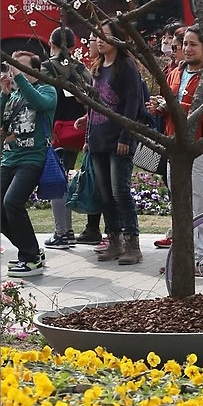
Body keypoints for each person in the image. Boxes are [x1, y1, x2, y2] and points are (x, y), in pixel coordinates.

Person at [147, 23, 203, 264]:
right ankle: (185, 257)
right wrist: (160, 108)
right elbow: (172, 105)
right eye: (184, 44)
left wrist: (175, 107)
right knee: (181, 202)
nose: (187, 49)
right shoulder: (175, 73)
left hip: (201, 149)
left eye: (193, 44)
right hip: (175, 148)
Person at [86, 18, 144, 265]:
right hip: (97, 138)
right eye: (97, 35)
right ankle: (114, 240)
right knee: (105, 194)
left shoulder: (126, 66)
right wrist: (86, 132)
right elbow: (93, 103)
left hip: (118, 140)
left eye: (104, 35)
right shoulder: (98, 67)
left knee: (121, 191)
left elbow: (133, 103)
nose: (99, 39)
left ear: (117, 39)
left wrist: (126, 136)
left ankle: (132, 243)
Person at [1, 51, 57, 277]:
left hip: (32, 158)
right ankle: (31, 250)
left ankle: (30, 257)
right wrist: (4, 95)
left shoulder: (48, 90)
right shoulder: (13, 95)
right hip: (9, 158)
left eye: (20, 67)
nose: (15, 71)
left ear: (34, 70)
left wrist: (21, 79)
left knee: (12, 202)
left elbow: (40, 104)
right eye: (13, 66)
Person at [41, 27, 92, 250]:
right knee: (74, 177)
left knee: (56, 179)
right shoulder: (82, 69)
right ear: (73, 47)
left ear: (51, 44)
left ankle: (63, 232)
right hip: (79, 130)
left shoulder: (46, 68)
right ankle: (84, 229)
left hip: (57, 130)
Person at [153, 26, 187, 249]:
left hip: (193, 142)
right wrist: (160, 105)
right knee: (174, 189)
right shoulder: (172, 71)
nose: (171, 49)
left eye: (175, 46)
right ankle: (177, 235)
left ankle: (186, 240)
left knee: (190, 195)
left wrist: (170, 106)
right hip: (168, 135)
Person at [75, 32, 105, 248]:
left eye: (92, 39)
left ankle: (118, 235)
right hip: (95, 137)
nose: (91, 42)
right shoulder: (95, 70)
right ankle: (93, 228)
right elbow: (97, 108)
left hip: (111, 140)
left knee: (112, 190)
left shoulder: (120, 70)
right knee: (95, 184)